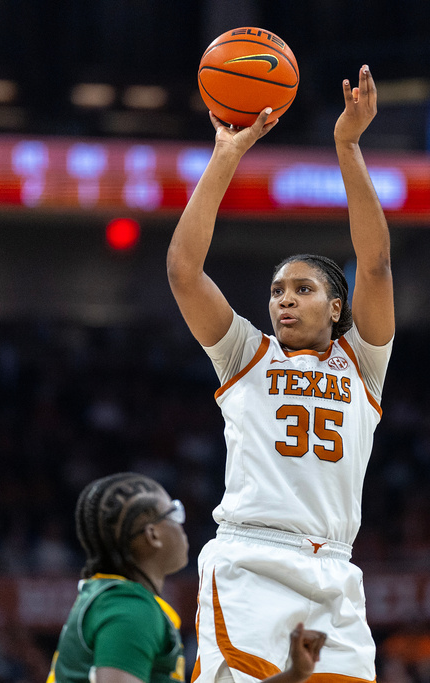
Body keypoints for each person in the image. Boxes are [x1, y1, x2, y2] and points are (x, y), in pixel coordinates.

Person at [167, 64, 393, 683]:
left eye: (302, 288)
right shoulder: (247, 355)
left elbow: (374, 265)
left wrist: (348, 146)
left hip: (336, 571)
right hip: (252, 561)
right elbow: (185, 271)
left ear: (337, 306)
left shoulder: (362, 364)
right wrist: (224, 155)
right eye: (275, 291)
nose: (283, 300)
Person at [48, 472, 327, 683]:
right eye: (174, 513)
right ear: (153, 536)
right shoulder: (130, 610)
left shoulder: (115, 599)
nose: (182, 526)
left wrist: (294, 675)